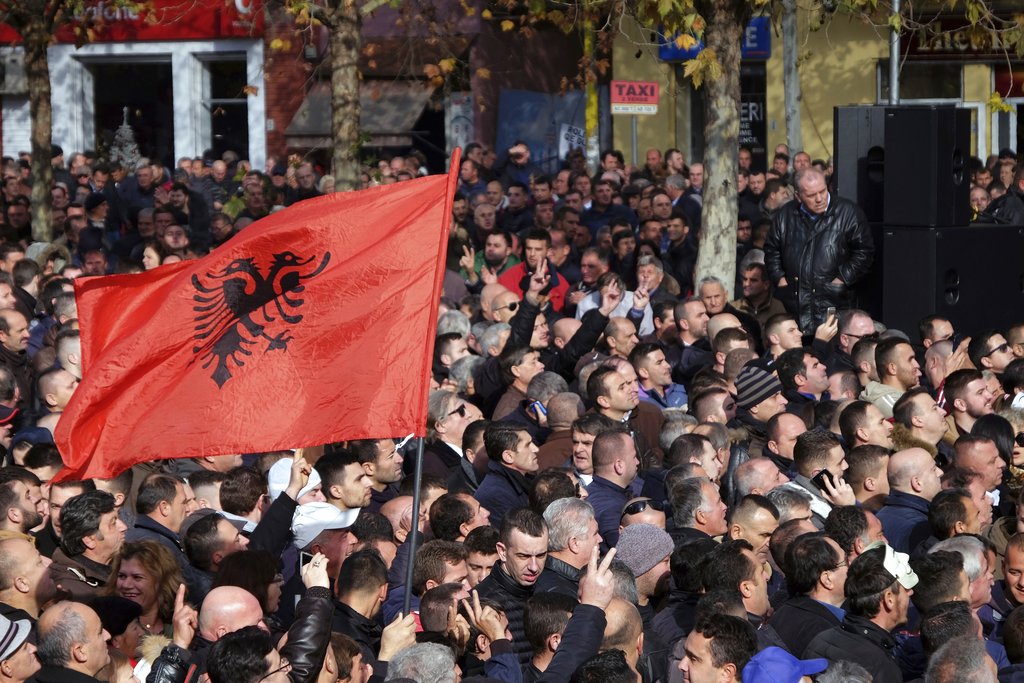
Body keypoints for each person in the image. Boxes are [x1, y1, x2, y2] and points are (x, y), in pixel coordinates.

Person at [764, 168, 874, 332]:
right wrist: (780, 279)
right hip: (794, 303)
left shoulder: (848, 213)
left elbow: (865, 252)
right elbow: (772, 250)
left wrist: (842, 278)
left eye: (822, 191)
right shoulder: (785, 215)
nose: (819, 199)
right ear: (798, 196)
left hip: (833, 301)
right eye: (811, 195)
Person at [804, 544, 917, 683]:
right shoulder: (880, 666)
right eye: (905, 589)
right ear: (889, 599)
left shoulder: (820, 639)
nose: (911, 592)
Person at [103, 540, 182, 639]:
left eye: (137, 577)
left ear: (161, 581)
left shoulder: (179, 625)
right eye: (122, 576)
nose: (126, 585)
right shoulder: (106, 626)